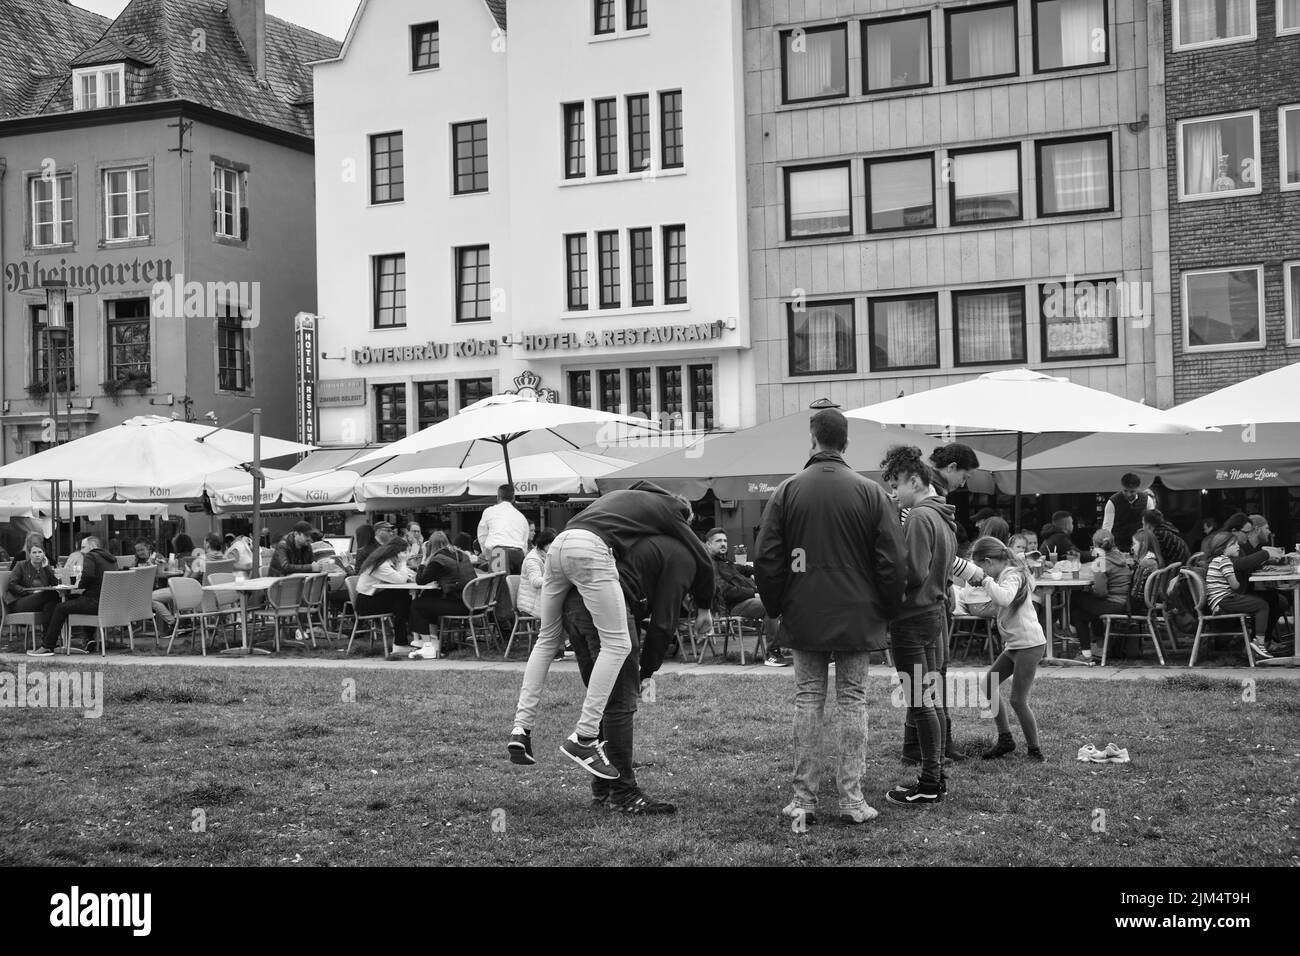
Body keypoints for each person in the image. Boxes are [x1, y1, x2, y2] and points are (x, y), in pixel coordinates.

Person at [754, 408, 906, 825]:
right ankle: (851, 798)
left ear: (812, 439)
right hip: (858, 612)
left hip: (805, 610)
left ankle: (804, 798)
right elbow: (893, 561)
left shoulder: (786, 491)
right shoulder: (872, 493)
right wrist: (887, 610)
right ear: (846, 443)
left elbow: (767, 559)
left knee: (808, 700)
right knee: (853, 701)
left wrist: (776, 606)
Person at [508, 481, 714, 780]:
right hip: (590, 550)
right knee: (618, 645)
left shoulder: (630, 499)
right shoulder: (673, 511)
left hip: (559, 547)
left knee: (546, 640)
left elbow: (640, 491)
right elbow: (702, 558)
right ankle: (585, 737)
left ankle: (521, 728)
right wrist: (705, 606)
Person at [568, 533, 707, 815]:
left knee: (604, 701)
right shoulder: (683, 557)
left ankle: (604, 789)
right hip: (606, 603)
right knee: (619, 702)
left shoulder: (643, 540)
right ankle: (623, 792)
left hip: (573, 602)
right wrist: (645, 670)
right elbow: (663, 624)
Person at [880, 445, 958, 807]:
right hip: (935, 616)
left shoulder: (918, 518)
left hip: (912, 618)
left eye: (896, 484)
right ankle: (935, 776)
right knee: (931, 699)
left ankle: (928, 782)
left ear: (915, 479)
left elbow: (912, 573)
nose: (894, 493)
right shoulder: (942, 515)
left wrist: (883, 587)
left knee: (920, 702)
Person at [966, 536, 1047, 760]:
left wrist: (984, 581)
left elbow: (1004, 598)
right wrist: (982, 583)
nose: (982, 572)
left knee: (1018, 700)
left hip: (1030, 644)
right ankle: (1005, 739)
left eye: (981, 567)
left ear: (989, 561)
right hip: (1015, 644)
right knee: (988, 685)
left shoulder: (1012, 575)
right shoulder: (1005, 573)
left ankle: (1035, 750)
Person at [704, 528, 785, 667]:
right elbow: (726, 592)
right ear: (708, 544)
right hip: (732, 606)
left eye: (725, 541)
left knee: (786, 601)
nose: (723, 544)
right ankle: (772, 653)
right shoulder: (710, 566)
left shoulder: (727, 563)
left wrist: (773, 567)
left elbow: (748, 569)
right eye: (718, 541)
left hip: (748, 600)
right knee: (770, 606)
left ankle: (792, 646)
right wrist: (753, 593)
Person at [29, 536, 117, 656]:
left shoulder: (91, 556)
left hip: (94, 603)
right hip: (108, 603)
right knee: (67, 601)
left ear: (92, 547)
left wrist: (79, 585)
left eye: (83, 547)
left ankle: (47, 645)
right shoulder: (112, 559)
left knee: (60, 607)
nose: (81, 551)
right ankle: (89, 639)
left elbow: (88, 576)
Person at [1203, 531, 1273, 660]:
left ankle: (1255, 641)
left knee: (1257, 603)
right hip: (1223, 600)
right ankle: (1260, 642)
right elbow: (1235, 586)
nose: (1238, 546)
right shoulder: (1225, 561)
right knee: (1262, 605)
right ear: (1223, 547)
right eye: (1233, 544)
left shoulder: (1216, 560)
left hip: (1218, 600)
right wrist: (1240, 581)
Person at [407, 532, 478, 656]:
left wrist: (424, 559)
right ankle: (434, 642)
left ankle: (427, 646)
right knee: (429, 596)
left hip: (461, 605)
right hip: (475, 603)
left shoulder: (439, 559)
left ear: (429, 546)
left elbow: (420, 580)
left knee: (418, 604)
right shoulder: (461, 554)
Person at [1070, 530, 1133, 665]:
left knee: (1076, 597)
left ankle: (1080, 639)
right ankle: (1095, 647)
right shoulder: (1120, 557)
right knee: (1081, 612)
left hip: (1112, 603)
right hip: (1123, 602)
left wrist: (1092, 590)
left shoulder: (1101, 562)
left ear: (1095, 546)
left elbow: (1100, 593)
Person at [354, 540, 416, 649]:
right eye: (406, 552)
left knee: (404, 598)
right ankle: (401, 643)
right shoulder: (381, 565)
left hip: (374, 597)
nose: (407, 555)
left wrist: (408, 573)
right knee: (403, 600)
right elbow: (401, 580)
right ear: (397, 552)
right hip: (366, 603)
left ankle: (407, 640)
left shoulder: (389, 562)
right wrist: (403, 562)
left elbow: (410, 574)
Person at [5, 544, 61, 638]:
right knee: (52, 594)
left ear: (44, 554)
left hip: (40, 601)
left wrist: (47, 567)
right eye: (34, 552)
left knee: (50, 605)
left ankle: (47, 641)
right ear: (30, 554)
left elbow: (56, 584)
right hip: (20, 602)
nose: (37, 555)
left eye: (40, 552)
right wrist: (31, 592)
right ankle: (49, 640)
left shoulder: (45, 568)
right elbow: (12, 584)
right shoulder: (21, 565)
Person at [478, 484, 529, 574]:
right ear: (513, 498)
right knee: (516, 585)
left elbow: (482, 536)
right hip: (518, 554)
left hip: (499, 552)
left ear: (498, 496)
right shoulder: (521, 517)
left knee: (497, 586)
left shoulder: (489, 511)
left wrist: (487, 555)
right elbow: (525, 543)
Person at [1101, 473, 1157, 552]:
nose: (1128, 494)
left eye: (1132, 491)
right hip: (1118, 544)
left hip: (1140, 544)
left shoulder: (1147, 500)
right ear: (1122, 487)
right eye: (1125, 491)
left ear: (1138, 488)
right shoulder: (1112, 502)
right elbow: (1107, 526)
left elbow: (1151, 523)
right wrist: (1107, 544)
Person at [517, 528, 556, 619]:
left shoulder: (546, 556)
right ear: (544, 544)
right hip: (529, 606)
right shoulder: (533, 559)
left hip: (539, 601)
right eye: (552, 544)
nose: (555, 547)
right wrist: (554, 580)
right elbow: (535, 581)